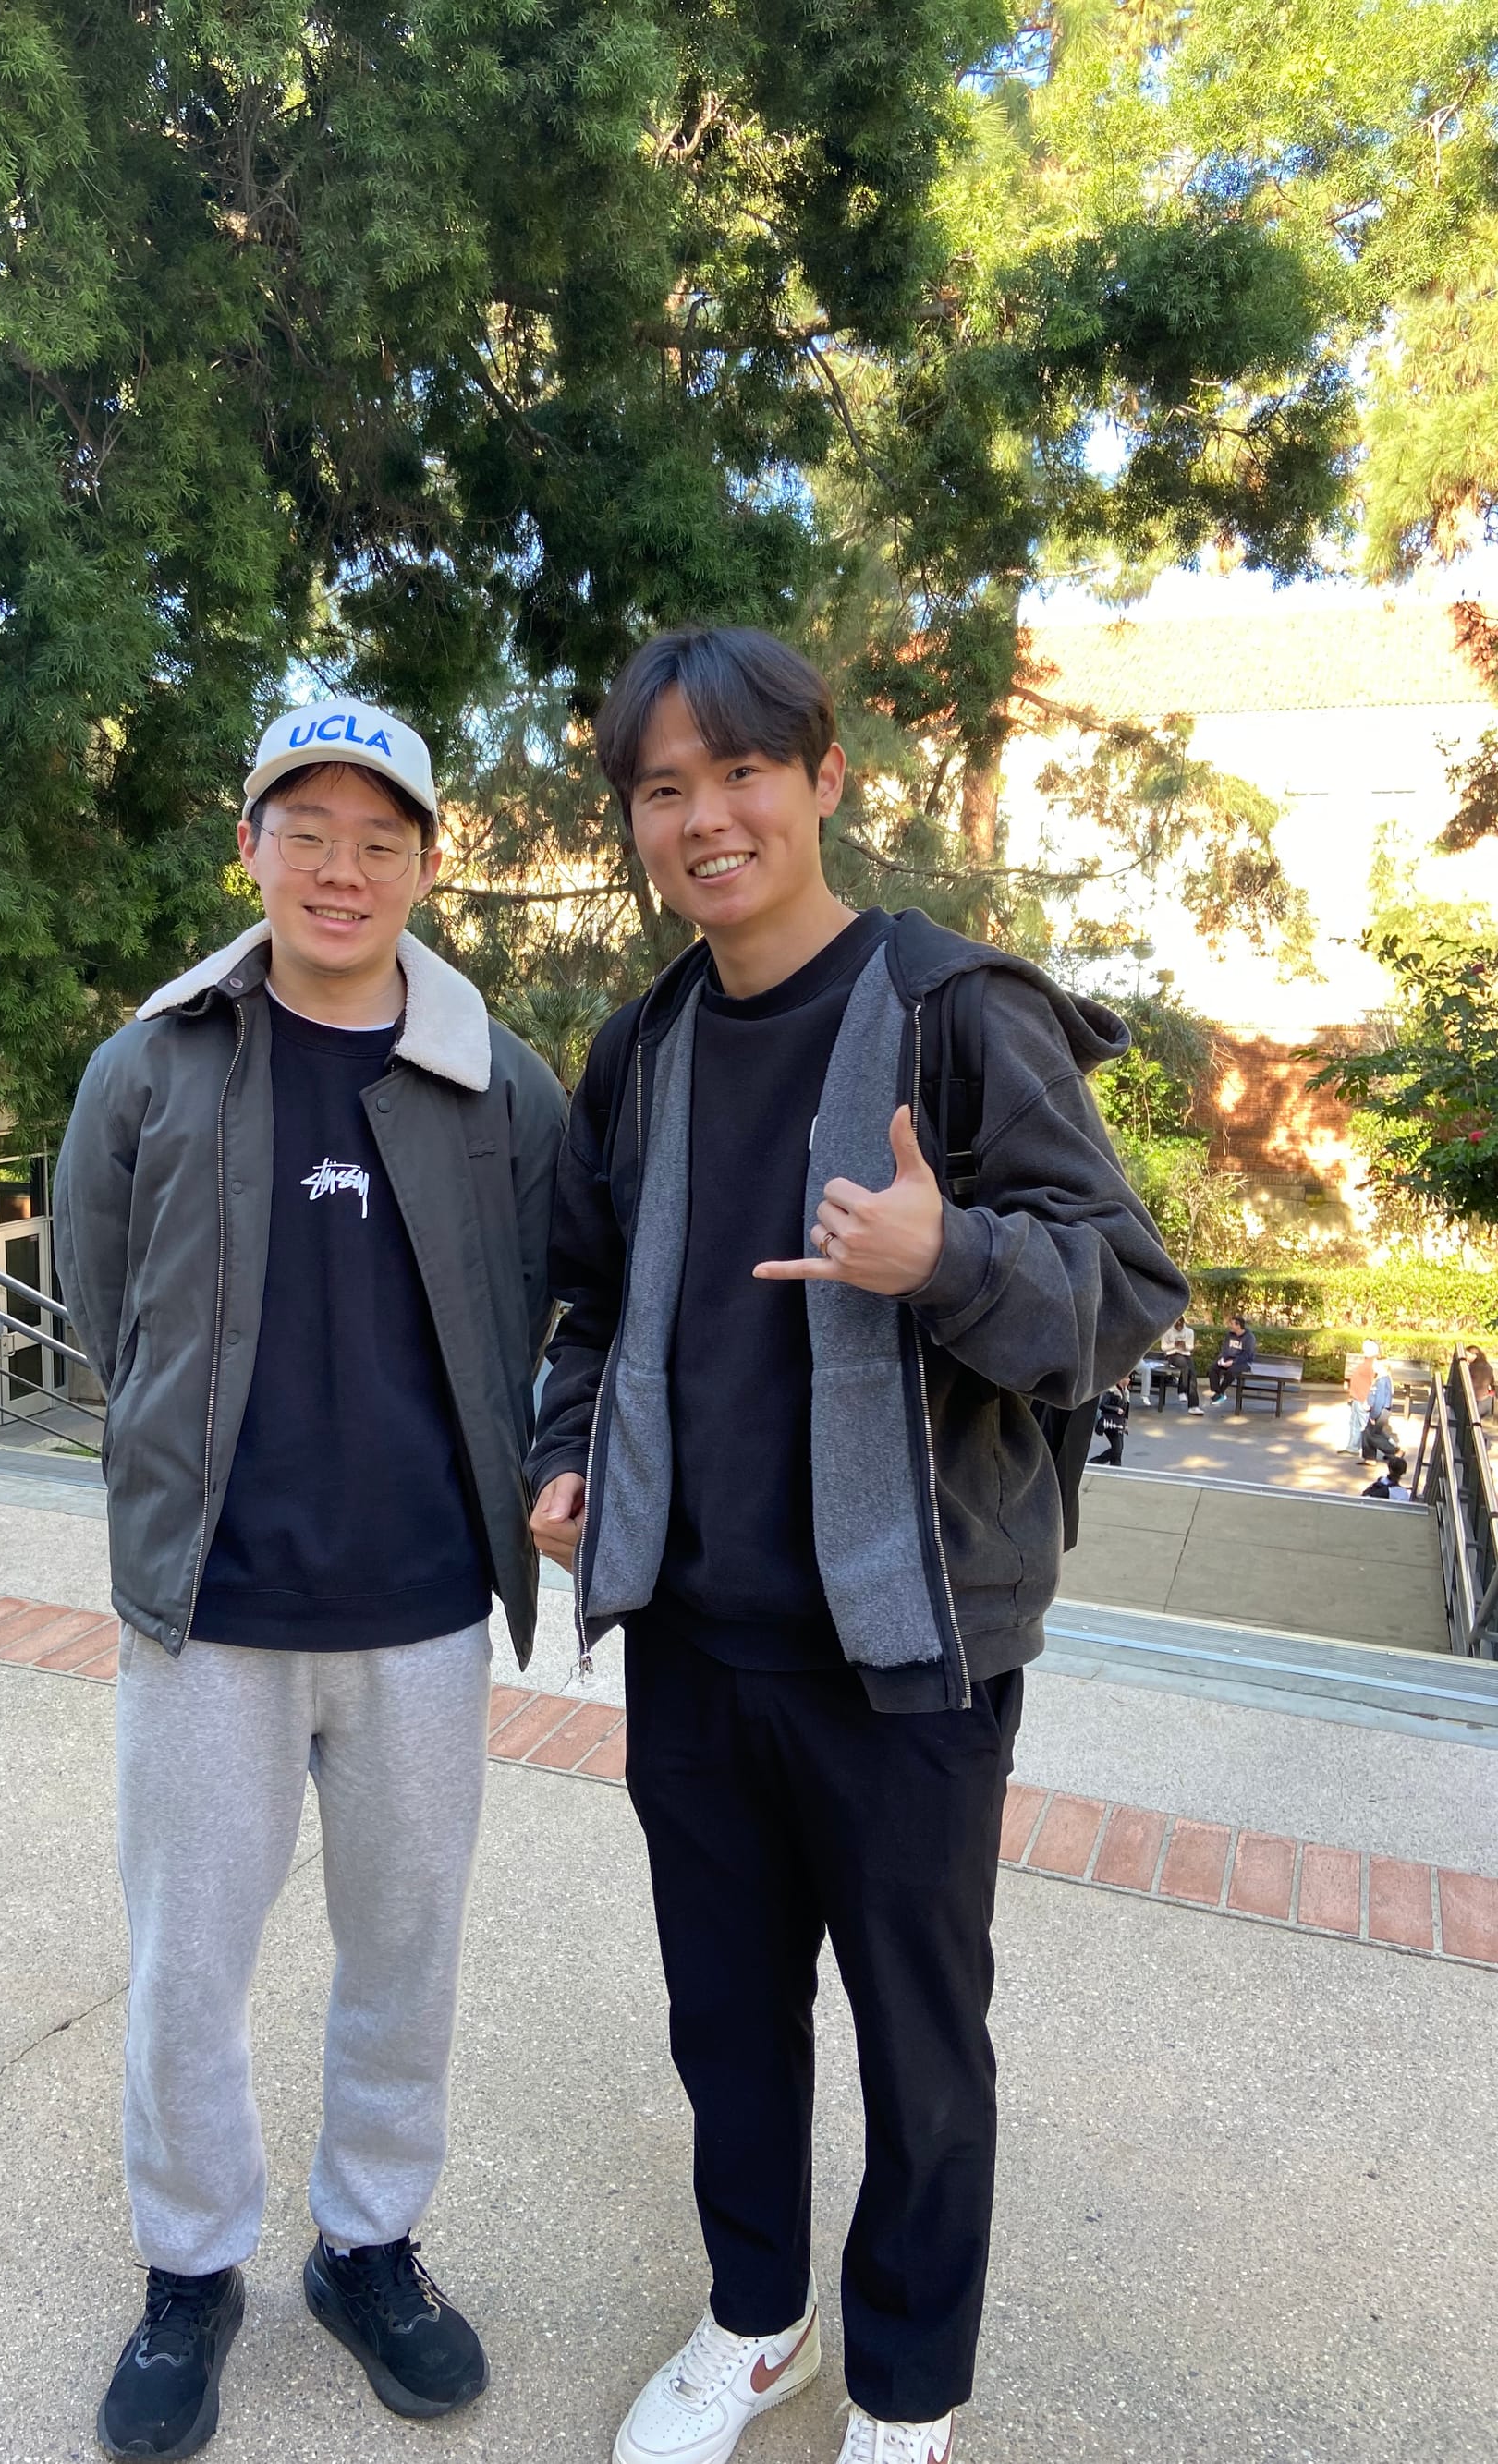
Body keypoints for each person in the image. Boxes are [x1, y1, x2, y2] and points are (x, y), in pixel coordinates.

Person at [526, 628, 1187, 2464]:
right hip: (692, 1639)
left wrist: (944, 1255)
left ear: (824, 778)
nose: (706, 817)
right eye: (665, 786)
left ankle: (904, 2388)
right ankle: (758, 2321)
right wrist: (570, 1459)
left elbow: (1126, 1285)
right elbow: (588, 1306)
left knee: (920, 2042)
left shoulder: (952, 1012)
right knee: (726, 2021)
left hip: (909, 1656)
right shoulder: (643, 1048)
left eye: (741, 770)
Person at [55, 698, 566, 2459]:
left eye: (379, 839)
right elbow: (102, 1298)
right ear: (251, 847)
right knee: (186, 1962)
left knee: (404, 1949)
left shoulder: (501, 1081)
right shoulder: (154, 1064)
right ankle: (190, 2267)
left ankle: (368, 2246)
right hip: (212, 1610)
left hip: (422, 1610)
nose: (342, 870)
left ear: (425, 865)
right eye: (308, 832)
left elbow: (555, 1289)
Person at [1206, 1314, 1256, 1409]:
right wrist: (1222, 1359)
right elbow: (1225, 1349)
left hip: (1243, 1362)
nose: (1230, 1326)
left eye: (1232, 1324)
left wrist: (1233, 1362)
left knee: (1231, 1371)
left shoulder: (1249, 1338)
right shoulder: (1229, 1335)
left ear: (1238, 1325)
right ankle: (1217, 1393)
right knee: (1213, 1368)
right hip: (1228, 1359)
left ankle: (1221, 1391)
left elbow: (1247, 1355)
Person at [1342, 1337, 1382, 1453]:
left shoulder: (1374, 1363)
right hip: (1357, 1398)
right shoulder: (1367, 1362)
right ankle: (1353, 1448)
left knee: (1368, 1428)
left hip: (1363, 1399)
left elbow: (1375, 1383)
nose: (1364, 1350)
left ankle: (1392, 1450)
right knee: (1355, 1424)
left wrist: (1369, 1400)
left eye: (1366, 1348)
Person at [1158, 1314, 1201, 1414]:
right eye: (1176, 1326)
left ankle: (1193, 1406)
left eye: (1180, 1326)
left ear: (1183, 1324)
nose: (1178, 1328)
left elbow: (1191, 1346)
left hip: (1185, 1354)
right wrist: (1174, 1345)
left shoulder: (1189, 1332)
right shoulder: (1167, 1331)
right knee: (1184, 1365)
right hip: (1172, 1354)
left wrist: (1185, 1346)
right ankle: (1182, 1390)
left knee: (1192, 1375)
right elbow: (1163, 1347)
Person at [1090, 1375, 1132, 1466]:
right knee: (1117, 1448)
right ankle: (1095, 1462)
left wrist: (1125, 1423)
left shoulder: (1126, 1392)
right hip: (1110, 1423)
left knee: (1119, 1448)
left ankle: (1115, 1466)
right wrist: (1116, 1409)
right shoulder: (1111, 1392)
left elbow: (1126, 1410)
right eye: (1127, 1378)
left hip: (1119, 1423)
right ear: (1121, 1380)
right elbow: (1103, 1405)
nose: (1129, 1380)